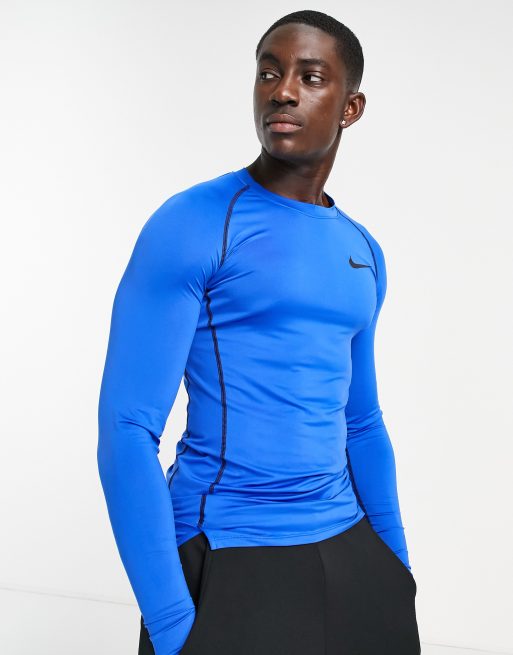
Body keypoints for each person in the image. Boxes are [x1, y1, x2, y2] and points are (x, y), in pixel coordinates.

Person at [97, 9, 421, 655]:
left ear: (350, 107)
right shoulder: (194, 221)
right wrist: (172, 625)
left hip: (352, 552)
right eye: (269, 73)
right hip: (229, 548)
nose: (283, 91)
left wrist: (397, 570)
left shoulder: (362, 250)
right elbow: (127, 429)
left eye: (310, 77)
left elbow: (361, 422)